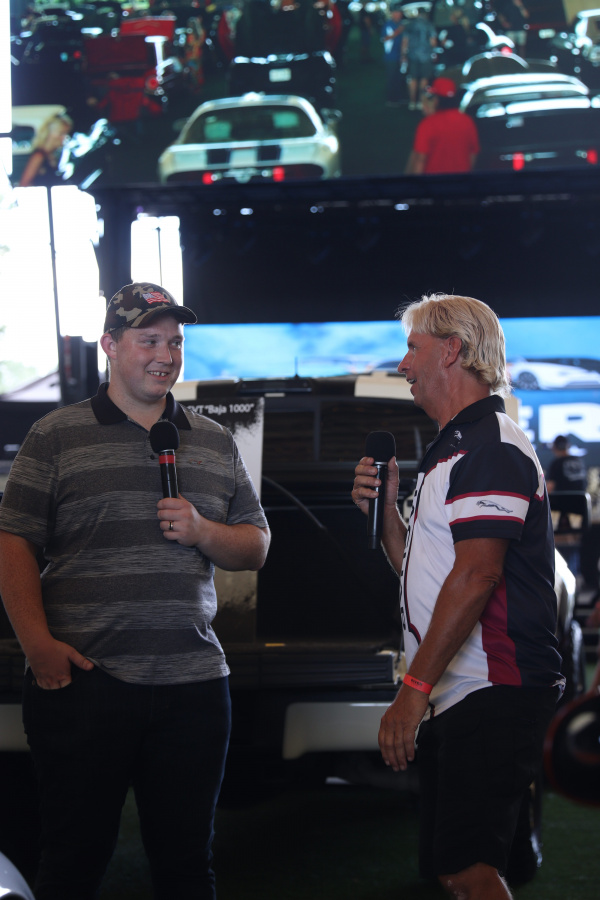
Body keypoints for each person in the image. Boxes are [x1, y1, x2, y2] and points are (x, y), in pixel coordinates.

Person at [0, 281, 271, 900]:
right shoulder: (56, 434)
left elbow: (256, 546)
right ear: (110, 345)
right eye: (149, 340)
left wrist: (202, 531)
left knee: (187, 870)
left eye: (175, 342)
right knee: (72, 866)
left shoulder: (213, 439)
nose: (165, 356)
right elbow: (13, 542)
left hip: (194, 688)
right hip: (84, 684)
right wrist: (38, 646)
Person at [352, 293, 564, 900]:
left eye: (412, 348)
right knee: (456, 869)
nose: (402, 365)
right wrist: (386, 512)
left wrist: (412, 690)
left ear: (451, 351)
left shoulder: (488, 446)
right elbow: (419, 572)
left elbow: (476, 578)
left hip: (493, 686)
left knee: (469, 873)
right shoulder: (454, 446)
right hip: (468, 688)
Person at [405, 76, 480, 174]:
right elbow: (473, 154)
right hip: (461, 181)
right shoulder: (467, 121)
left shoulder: (428, 124)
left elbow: (420, 160)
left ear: (437, 99)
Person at [19, 113, 73, 187]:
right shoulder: (38, 156)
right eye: (62, 133)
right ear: (51, 134)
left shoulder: (52, 156)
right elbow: (23, 185)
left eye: (66, 134)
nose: (65, 137)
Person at [400, 9, 437, 111]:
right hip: (426, 56)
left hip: (412, 56)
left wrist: (403, 55)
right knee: (424, 79)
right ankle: (421, 102)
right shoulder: (429, 25)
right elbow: (433, 42)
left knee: (412, 79)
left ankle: (412, 102)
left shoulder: (410, 25)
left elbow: (405, 41)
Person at [380, 3, 406, 106]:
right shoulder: (388, 24)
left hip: (400, 55)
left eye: (399, 12)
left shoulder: (401, 24)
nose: (398, 14)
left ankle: (398, 98)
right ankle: (391, 99)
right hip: (391, 56)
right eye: (396, 12)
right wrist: (398, 31)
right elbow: (384, 38)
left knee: (399, 78)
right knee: (391, 78)